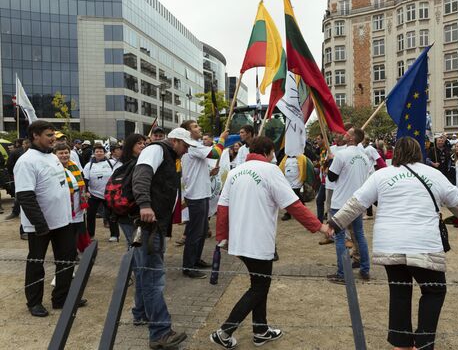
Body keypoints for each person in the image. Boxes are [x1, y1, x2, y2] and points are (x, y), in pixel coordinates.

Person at [327, 136, 458, 350]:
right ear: (419, 153)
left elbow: (357, 202)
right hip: (423, 243)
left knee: (400, 290)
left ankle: (402, 342)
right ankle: (424, 341)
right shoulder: (433, 174)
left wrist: (336, 222)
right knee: (434, 290)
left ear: (396, 152)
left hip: (390, 243)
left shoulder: (382, 175)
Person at [209, 136, 332, 349]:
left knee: (259, 285)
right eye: (273, 153)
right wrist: (319, 226)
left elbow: (223, 207)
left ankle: (260, 330)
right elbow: (293, 204)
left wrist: (222, 237)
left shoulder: (236, 171)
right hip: (258, 240)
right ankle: (224, 331)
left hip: (239, 239)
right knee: (259, 287)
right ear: (269, 152)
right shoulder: (271, 171)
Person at [132, 127, 196, 349]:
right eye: (186, 146)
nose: (187, 151)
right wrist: (145, 205)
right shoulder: (157, 150)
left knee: (145, 273)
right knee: (153, 277)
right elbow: (141, 175)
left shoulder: (166, 154)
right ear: (176, 141)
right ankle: (160, 332)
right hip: (148, 222)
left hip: (153, 223)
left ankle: (140, 313)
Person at [14, 121, 86, 317]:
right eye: (49, 135)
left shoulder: (52, 157)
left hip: (63, 221)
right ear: (35, 136)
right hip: (40, 225)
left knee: (67, 259)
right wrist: (40, 224)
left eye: (53, 135)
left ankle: (61, 298)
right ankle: (34, 302)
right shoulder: (26, 161)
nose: (53, 138)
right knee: (36, 263)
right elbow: (25, 196)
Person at [180, 120, 228, 279]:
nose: (199, 128)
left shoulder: (193, 146)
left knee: (200, 231)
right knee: (195, 232)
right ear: (187, 132)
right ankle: (188, 266)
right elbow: (215, 153)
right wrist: (221, 139)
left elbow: (194, 173)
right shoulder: (192, 146)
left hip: (200, 193)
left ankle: (196, 259)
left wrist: (209, 173)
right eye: (195, 126)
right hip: (196, 195)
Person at [327, 127, 372, 284]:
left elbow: (331, 177)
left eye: (348, 133)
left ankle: (342, 274)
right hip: (357, 201)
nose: (344, 134)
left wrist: (330, 161)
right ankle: (365, 269)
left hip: (341, 202)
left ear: (352, 139)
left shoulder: (341, 154)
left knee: (340, 237)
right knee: (359, 235)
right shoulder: (364, 156)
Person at [116, 133, 147, 326]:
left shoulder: (123, 166)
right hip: (133, 219)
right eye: (138, 143)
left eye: (144, 142)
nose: (143, 145)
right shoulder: (136, 166)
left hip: (125, 217)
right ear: (130, 146)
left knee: (135, 256)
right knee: (141, 264)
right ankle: (139, 312)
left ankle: (140, 310)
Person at [53, 143, 92, 254]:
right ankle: (68, 252)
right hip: (64, 201)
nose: (64, 155)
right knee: (67, 229)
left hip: (78, 199)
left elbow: (81, 180)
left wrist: (85, 193)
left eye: (66, 153)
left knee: (77, 227)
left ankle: (74, 250)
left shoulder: (73, 164)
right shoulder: (54, 167)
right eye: (61, 153)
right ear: (55, 155)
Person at [83, 143, 118, 241]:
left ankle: (114, 235)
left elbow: (116, 177)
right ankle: (90, 235)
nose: (99, 153)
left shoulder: (111, 163)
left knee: (111, 214)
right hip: (93, 194)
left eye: (101, 151)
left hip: (108, 194)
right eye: (97, 152)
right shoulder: (88, 165)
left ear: (105, 153)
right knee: (90, 215)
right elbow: (85, 180)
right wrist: (86, 191)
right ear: (93, 153)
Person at [279, 154, 314, 220]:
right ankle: (292, 212)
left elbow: (308, 167)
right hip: (287, 181)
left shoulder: (302, 157)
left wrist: (308, 180)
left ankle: (302, 212)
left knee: (296, 196)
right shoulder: (285, 157)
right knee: (290, 196)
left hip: (297, 180)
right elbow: (281, 167)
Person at [5, 138, 30, 223]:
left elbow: (9, 164)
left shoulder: (16, 152)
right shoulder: (18, 153)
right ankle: (16, 212)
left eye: (24, 144)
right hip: (20, 177)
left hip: (19, 177)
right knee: (20, 195)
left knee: (19, 195)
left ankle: (16, 212)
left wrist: (13, 174)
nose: (23, 145)